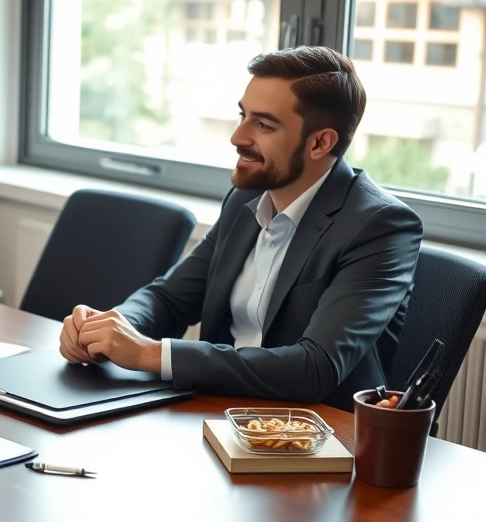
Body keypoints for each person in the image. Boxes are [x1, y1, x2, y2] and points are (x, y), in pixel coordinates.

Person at [59, 46, 423, 412]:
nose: (237, 137)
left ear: (319, 142)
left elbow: (315, 368)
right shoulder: (242, 201)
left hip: (316, 433)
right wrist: (108, 329)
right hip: (216, 411)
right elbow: (169, 298)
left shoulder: (380, 226)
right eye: (242, 115)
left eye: (264, 124)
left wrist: (152, 354)